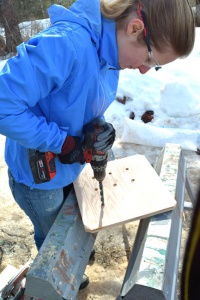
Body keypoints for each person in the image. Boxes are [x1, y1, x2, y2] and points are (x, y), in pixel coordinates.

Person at [0, 0, 195, 290]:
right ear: (135, 28)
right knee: (52, 234)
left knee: (71, 224)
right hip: (38, 179)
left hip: (68, 167)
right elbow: (4, 104)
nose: (143, 70)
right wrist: (63, 144)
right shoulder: (66, 45)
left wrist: (96, 126)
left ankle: (70, 262)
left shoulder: (109, 53)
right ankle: (52, 281)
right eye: (150, 60)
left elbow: (81, 97)